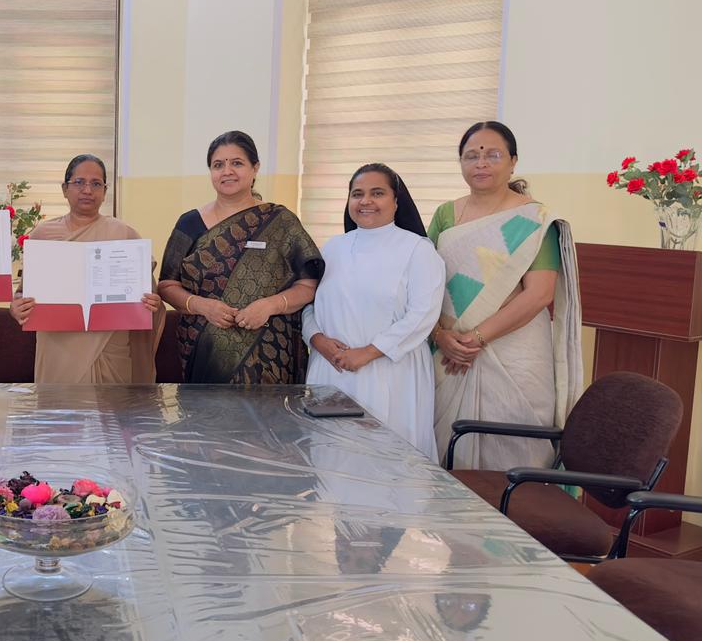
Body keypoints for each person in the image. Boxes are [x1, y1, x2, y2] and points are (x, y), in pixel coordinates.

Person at [429, 121, 581, 470]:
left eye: (493, 155)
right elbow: (424, 283)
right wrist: (440, 336)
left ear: (513, 162)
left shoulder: (535, 219)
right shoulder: (446, 214)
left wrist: (475, 339)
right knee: (448, 457)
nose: (481, 163)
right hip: (449, 352)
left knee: (515, 452)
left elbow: (539, 294)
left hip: (515, 353)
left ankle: (516, 507)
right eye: (471, 156)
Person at [302, 164, 444, 460]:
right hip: (331, 369)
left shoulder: (418, 250)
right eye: (357, 194)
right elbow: (310, 303)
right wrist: (316, 339)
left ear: (396, 201)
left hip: (390, 372)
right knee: (333, 459)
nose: (365, 201)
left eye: (377, 193)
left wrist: (368, 352)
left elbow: (423, 314)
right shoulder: (332, 247)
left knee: (387, 460)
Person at [158, 130, 323, 383]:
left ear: (255, 168)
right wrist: (204, 306)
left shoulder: (281, 222)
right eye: (218, 165)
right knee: (207, 409)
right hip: (205, 352)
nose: (227, 171)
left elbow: (308, 285)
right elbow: (167, 285)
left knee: (265, 409)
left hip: (269, 356)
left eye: (237, 163)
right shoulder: (189, 223)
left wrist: (269, 306)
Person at [9, 155, 164, 382]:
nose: (87, 190)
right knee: (59, 404)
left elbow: (150, 297)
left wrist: (153, 303)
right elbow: (22, 294)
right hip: (57, 349)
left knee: (109, 406)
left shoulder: (124, 234)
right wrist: (16, 307)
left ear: (105, 191)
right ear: (65, 189)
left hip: (109, 350)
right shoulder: (43, 235)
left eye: (96, 183)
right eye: (79, 182)